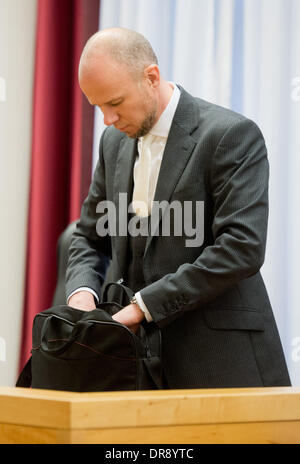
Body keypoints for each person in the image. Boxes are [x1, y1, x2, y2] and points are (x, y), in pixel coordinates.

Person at [66, 27, 291, 389]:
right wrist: (81, 293)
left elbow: (241, 248)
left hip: (220, 365)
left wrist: (143, 307)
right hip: (133, 371)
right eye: (98, 107)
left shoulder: (230, 135)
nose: (107, 119)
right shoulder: (112, 142)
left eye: (115, 103)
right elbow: (91, 236)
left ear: (151, 77)